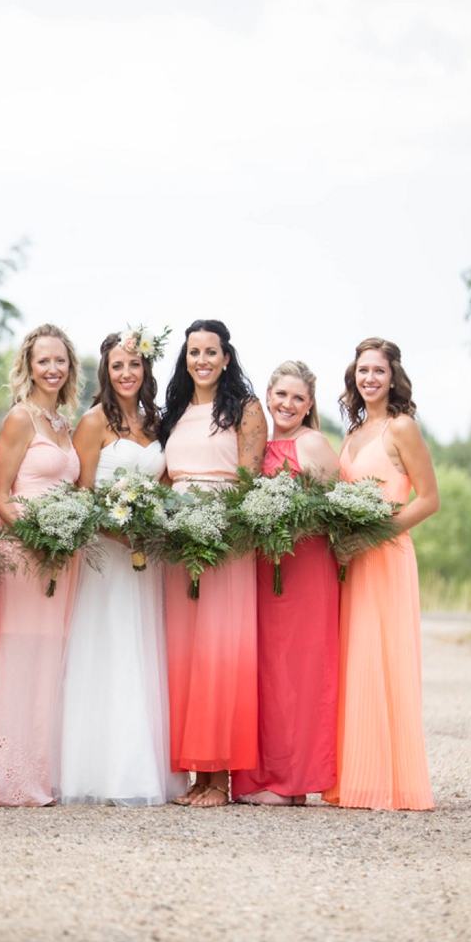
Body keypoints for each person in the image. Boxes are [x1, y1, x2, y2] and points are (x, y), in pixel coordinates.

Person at [58, 329, 186, 806]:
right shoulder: (92, 423)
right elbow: (82, 496)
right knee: (107, 650)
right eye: (117, 366)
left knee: (145, 651)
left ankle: (144, 768)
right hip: (108, 556)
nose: (127, 373)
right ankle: (102, 771)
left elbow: (168, 483)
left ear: (146, 369)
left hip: (148, 558)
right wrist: (121, 532)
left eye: (134, 364)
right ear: (105, 372)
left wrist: (157, 524)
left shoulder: (157, 424)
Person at [323, 338, 439, 811]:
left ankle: (391, 779)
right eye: (362, 370)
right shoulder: (351, 434)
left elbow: (429, 499)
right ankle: (354, 776)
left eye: (378, 370)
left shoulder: (402, 427)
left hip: (387, 554)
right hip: (351, 559)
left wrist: (373, 535)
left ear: (393, 377)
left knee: (383, 658)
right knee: (354, 660)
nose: (369, 378)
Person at [159, 319, 267, 807]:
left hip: (225, 541)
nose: (201, 360)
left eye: (211, 351)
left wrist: (217, 527)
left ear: (226, 357)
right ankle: (193, 774)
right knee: (184, 656)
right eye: (193, 352)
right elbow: (164, 479)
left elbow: (248, 481)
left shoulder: (245, 410)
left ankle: (220, 777)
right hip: (178, 542)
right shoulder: (176, 412)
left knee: (221, 654)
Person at [231, 360, 340, 807]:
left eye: (298, 398)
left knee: (301, 671)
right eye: (281, 395)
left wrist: (294, 521)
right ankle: (268, 778)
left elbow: (339, 508)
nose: (288, 404)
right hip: (263, 567)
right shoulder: (260, 444)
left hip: (306, 568)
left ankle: (295, 779)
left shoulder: (312, 442)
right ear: (268, 396)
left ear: (310, 404)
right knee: (268, 672)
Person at [0, 324, 81, 806]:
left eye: (59, 360)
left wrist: (65, 539)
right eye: (43, 360)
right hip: (24, 554)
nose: (52, 368)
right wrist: (37, 539)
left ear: (70, 367)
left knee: (50, 658)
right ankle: (11, 773)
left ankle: (42, 768)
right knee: (18, 653)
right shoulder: (19, 419)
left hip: (64, 557)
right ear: (29, 365)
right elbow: (0, 495)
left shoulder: (65, 424)